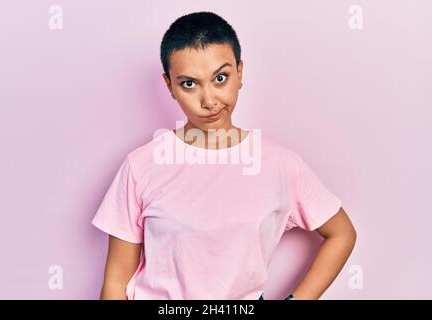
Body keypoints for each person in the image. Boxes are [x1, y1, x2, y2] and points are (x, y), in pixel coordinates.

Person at [92, 11, 357, 300]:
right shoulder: (141, 166)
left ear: (240, 73)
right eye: (189, 84)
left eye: (220, 78)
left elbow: (342, 233)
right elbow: (116, 281)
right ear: (170, 86)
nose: (209, 100)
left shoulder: (281, 165)